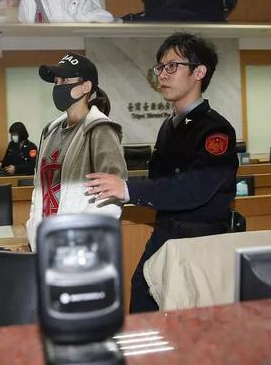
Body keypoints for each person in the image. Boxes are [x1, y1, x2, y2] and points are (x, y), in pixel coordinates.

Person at [85, 32, 238, 313]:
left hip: (199, 241)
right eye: (160, 67)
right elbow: (160, 180)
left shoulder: (215, 129)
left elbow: (196, 188)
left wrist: (128, 189)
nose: (163, 75)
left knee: (187, 315)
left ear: (199, 72)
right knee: (142, 295)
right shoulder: (169, 126)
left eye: (172, 66)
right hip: (165, 233)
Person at [26, 52, 127, 251]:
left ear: (86, 87)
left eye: (65, 80)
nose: (58, 86)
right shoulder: (49, 131)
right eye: (56, 81)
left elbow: (112, 198)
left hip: (80, 248)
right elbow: (38, 191)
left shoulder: (100, 130)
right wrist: (33, 232)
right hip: (45, 243)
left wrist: (80, 241)